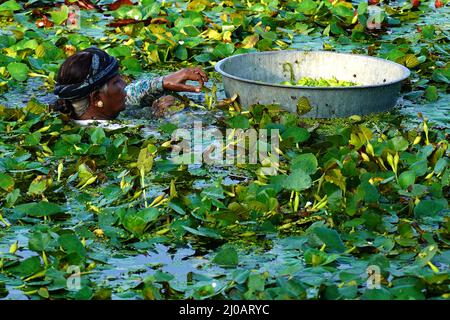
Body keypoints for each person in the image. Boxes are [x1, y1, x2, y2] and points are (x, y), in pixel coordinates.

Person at [52, 46, 208, 121]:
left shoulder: (73, 113)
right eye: (116, 82)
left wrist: (162, 82)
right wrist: (170, 114)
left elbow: (130, 95)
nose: (124, 82)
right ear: (96, 98)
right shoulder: (130, 133)